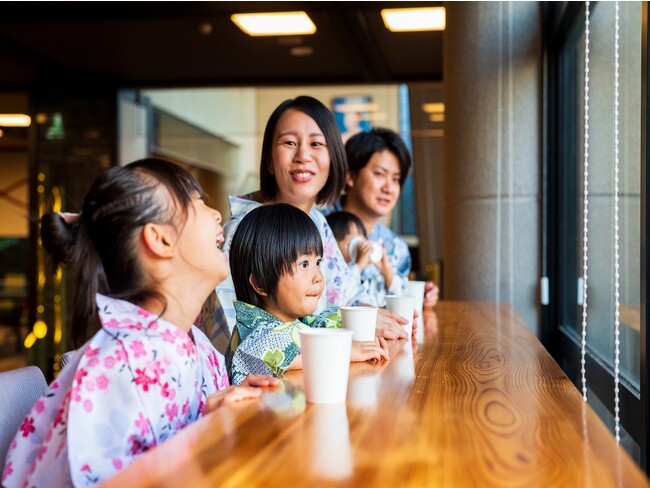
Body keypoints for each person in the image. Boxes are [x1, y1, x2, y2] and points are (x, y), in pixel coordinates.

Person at [2, 158, 277, 487]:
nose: (216, 213)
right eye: (198, 200)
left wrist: (211, 414)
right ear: (160, 240)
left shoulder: (195, 344)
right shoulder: (121, 366)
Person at [211, 96, 409, 352]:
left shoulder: (317, 221)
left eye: (316, 143)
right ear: (270, 160)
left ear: (333, 158)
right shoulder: (244, 231)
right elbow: (235, 343)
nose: (303, 155)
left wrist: (374, 317)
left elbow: (344, 296)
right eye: (289, 142)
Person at [225, 203, 389, 385]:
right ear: (261, 283)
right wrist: (342, 351)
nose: (318, 277)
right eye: (304, 264)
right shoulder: (254, 333)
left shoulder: (295, 322)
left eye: (318, 262)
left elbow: (318, 327)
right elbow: (264, 352)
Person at [328, 128, 439, 308]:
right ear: (350, 175)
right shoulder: (319, 228)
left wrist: (420, 297)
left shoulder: (397, 249)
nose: (389, 188)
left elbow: (398, 302)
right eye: (379, 174)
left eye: (396, 179)